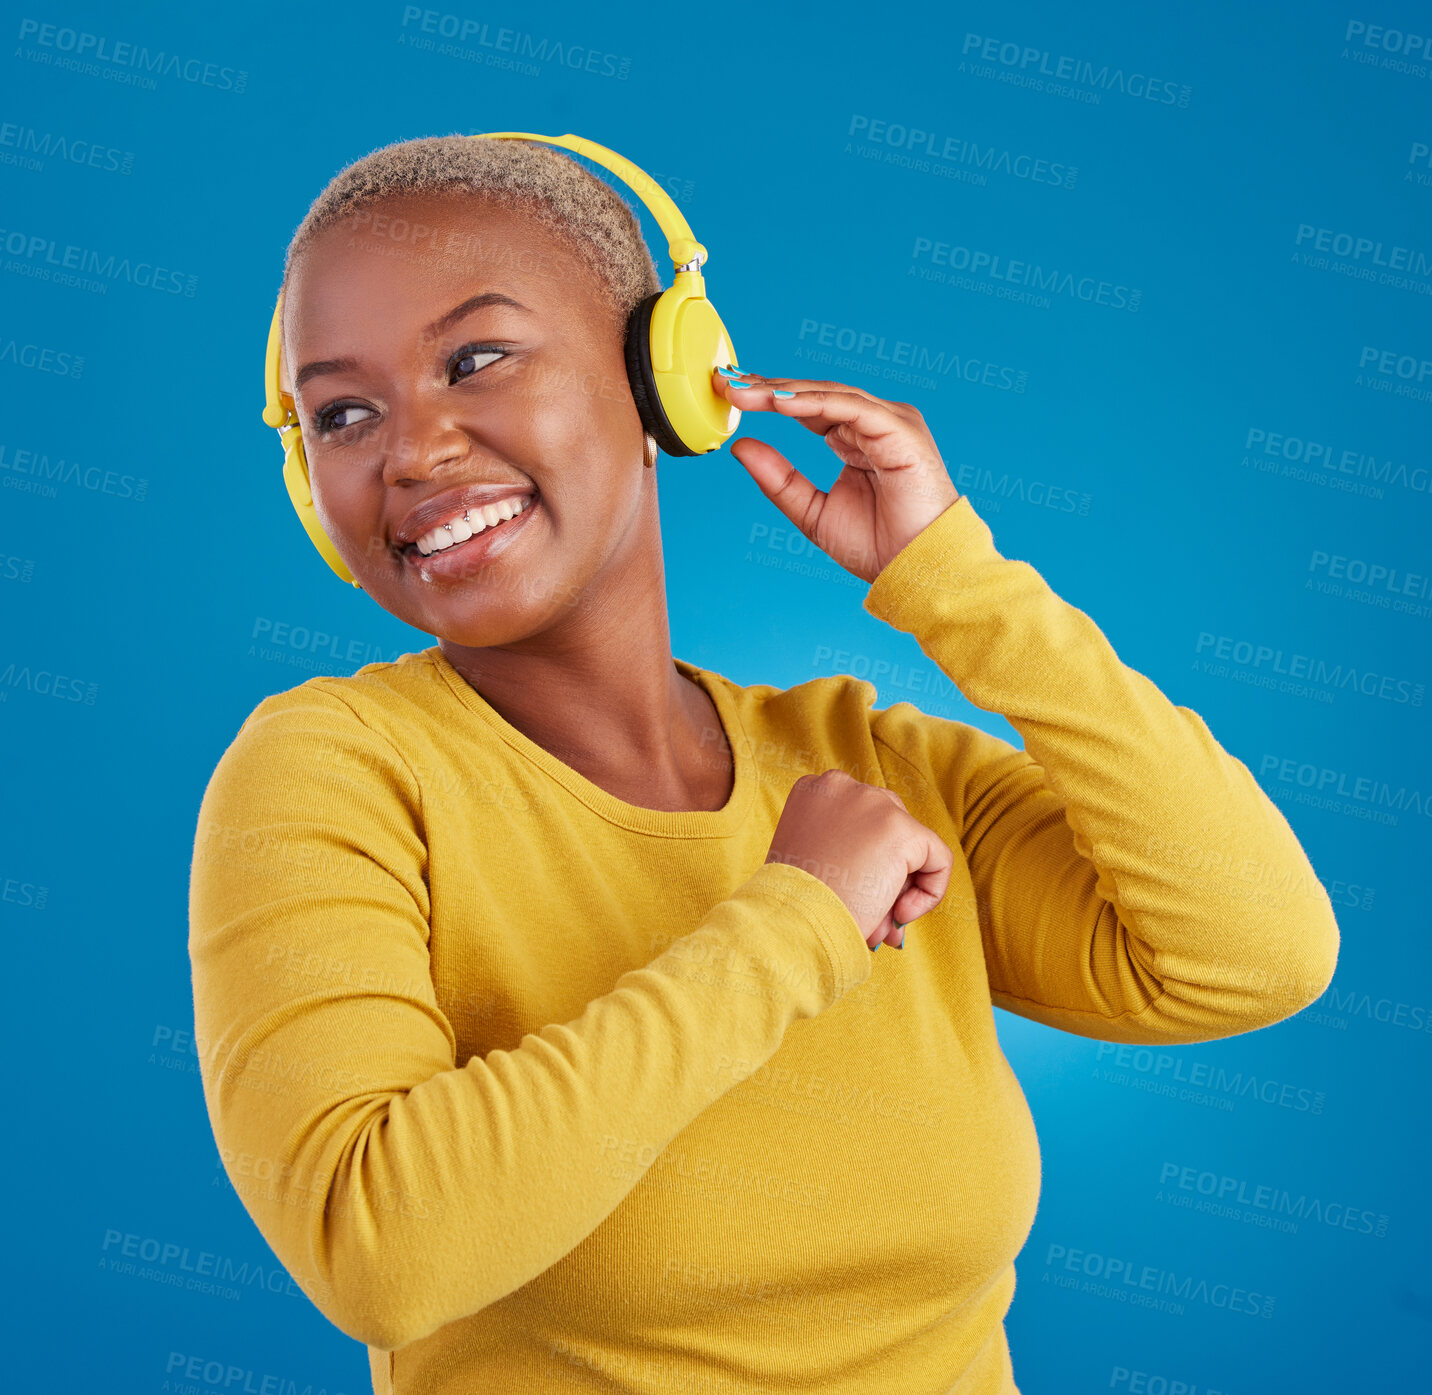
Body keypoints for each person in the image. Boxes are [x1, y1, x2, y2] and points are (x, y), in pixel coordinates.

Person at [188, 135, 1340, 1395]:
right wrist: (793, 924)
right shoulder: (333, 773)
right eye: (344, 413)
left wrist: (955, 582)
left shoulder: (869, 765)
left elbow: (1254, 955)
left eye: (477, 359)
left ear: (663, 378)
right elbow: (379, 1250)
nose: (411, 453)